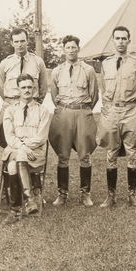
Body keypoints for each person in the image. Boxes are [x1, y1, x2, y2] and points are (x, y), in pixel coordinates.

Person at [93, 26, 136, 208]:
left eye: (124, 38)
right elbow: (103, 90)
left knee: (132, 153)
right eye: (118, 38)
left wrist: (135, 110)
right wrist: (109, 109)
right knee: (111, 152)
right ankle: (111, 196)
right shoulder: (106, 63)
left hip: (131, 110)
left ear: (129, 40)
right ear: (113, 40)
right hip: (111, 111)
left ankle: (132, 195)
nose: (121, 41)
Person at [46, 35, 98, 206]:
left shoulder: (88, 70)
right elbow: (54, 96)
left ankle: (85, 193)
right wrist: (65, 109)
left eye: (74, 47)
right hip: (64, 113)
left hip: (82, 113)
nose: (71, 50)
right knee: (63, 155)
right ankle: (62, 193)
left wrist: (82, 110)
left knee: (85, 155)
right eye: (68, 47)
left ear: (78, 49)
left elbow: (94, 96)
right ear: (63, 50)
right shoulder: (57, 71)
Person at [2, 74, 52, 224]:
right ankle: (29, 199)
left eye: (30, 87)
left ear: (34, 89)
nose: (27, 90)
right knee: (18, 156)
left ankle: (15, 210)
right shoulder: (10, 110)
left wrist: (25, 147)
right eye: (23, 87)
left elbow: (41, 137)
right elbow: (9, 137)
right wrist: (23, 147)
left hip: (35, 153)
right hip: (16, 150)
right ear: (18, 89)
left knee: (12, 165)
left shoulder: (43, 111)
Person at [0, 28, 50, 145]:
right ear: (11, 43)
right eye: (16, 42)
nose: (19, 45)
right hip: (11, 103)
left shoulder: (38, 62)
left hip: (31, 105)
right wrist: (10, 101)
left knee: (31, 136)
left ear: (27, 41)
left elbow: (43, 87)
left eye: (22, 41)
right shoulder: (5, 63)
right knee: (4, 136)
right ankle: (9, 160)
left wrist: (34, 102)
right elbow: (1, 88)